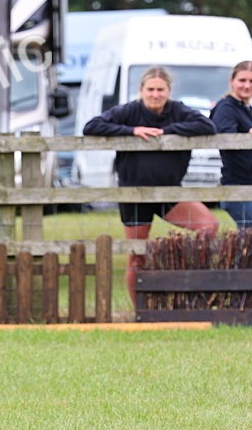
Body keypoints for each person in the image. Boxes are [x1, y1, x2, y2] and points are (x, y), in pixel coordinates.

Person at [83, 65, 219, 302]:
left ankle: (179, 268)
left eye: (160, 90)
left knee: (209, 226)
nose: (155, 94)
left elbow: (207, 126)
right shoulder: (129, 110)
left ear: (169, 91)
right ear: (141, 90)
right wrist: (132, 131)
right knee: (137, 254)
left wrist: (168, 131)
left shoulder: (178, 110)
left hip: (169, 192)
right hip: (135, 194)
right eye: (151, 89)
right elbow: (91, 127)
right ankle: (141, 310)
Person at [209, 60, 252, 229]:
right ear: (232, 81)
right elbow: (227, 138)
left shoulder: (245, 108)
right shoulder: (226, 108)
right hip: (237, 186)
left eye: (251, 81)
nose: (247, 85)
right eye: (242, 80)